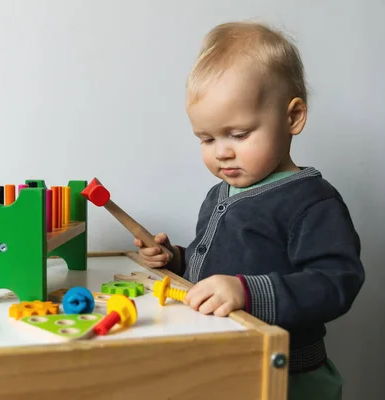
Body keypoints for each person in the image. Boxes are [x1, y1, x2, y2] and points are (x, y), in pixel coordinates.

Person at [134, 21, 365, 400]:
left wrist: (247, 292)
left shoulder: (312, 202)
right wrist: (176, 260)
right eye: (207, 139)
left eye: (239, 135)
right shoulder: (219, 193)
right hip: (224, 367)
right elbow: (221, 265)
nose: (222, 151)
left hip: (288, 377)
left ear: (292, 118)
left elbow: (336, 282)